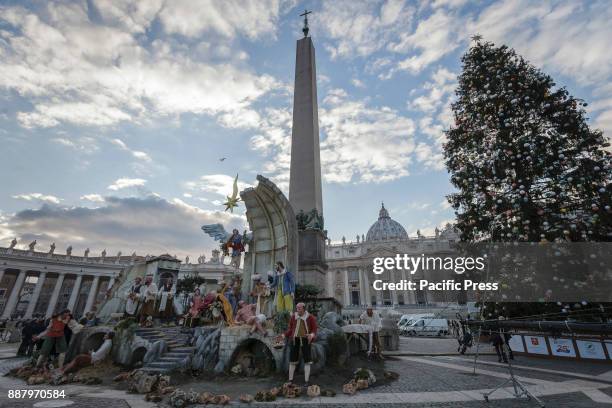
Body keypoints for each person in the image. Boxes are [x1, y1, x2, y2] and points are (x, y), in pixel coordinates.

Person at [280, 302, 317, 385]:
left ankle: (306, 381)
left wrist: (311, 335)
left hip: (306, 340)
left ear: (304, 309)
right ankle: (290, 380)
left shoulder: (310, 317)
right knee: (292, 360)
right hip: (294, 340)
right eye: (297, 308)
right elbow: (290, 329)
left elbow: (314, 329)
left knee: (307, 360)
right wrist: (284, 335)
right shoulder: (294, 317)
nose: (298, 310)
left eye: (299, 308)